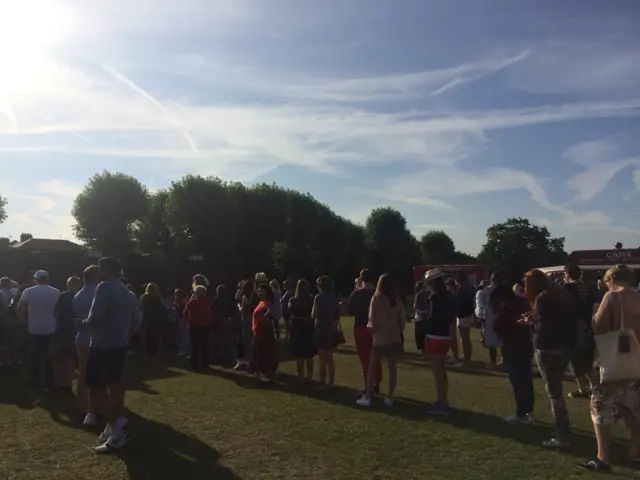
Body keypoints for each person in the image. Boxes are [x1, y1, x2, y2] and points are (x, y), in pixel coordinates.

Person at [581, 265, 640, 471]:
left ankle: (602, 457)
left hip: (613, 364)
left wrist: (594, 315)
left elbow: (599, 327)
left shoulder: (612, 297)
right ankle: (636, 452)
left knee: (601, 408)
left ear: (611, 279)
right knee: (634, 409)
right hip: (636, 362)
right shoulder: (638, 296)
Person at [82, 257, 141, 452]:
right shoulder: (129, 293)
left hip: (101, 345)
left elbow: (96, 317)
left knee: (96, 389)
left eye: (100, 268)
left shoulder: (104, 287)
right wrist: (124, 335)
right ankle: (113, 427)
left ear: (106, 269)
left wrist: (84, 323)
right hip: (119, 345)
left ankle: (116, 432)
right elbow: (137, 321)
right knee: (115, 387)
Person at [522, 269, 576, 449]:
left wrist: (530, 323)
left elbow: (544, 327)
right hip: (565, 345)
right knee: (557, 392)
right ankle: (563, 431)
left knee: (555, 394)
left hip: (547, 347)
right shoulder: (562, 294)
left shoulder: (542, 298)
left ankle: (563, 436)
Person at [357, 274, 406, 408]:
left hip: (379, 338)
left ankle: (368, 395)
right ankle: (390, 397)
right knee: (392, 369)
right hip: (394, 337)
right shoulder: (397, 300)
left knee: (372, 368)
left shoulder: (376, 299)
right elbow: (402, 322)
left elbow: (373, 320)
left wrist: (371, 329)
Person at [492, 284, 534, 423]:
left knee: (517, 381)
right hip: (526, 345)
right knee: (526, 379)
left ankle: (521, 412)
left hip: (513, 346)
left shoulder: (507, 308)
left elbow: (496, 326)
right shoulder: (524, 303)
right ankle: (528, 409)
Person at [17, 270, 60, 391]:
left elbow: (20, 307)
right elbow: (59, 310)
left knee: (34, 355)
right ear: (47, 278)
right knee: (49, 355)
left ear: (36, 279)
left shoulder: (29, 291)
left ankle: (33, 379)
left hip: (34, 328)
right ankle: (50, 380)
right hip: (51, 327)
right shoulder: (56, 292)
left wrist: (22, 320)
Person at [423, 269, 456, 415]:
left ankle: (442, 403)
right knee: (441, 372)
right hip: (445, 337)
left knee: (438, 373)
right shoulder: (450, 295)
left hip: (434, 336)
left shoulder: (434, 297)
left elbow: (432, 318)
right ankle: (443, 400)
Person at [563, 264, 598, 399]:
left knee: (576, 361)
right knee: (588, 360)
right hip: (588, 326)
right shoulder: (587, 288)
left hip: (574, 328)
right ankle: (595, 387)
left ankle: (583, 389)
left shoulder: (567, 288)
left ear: (567, 274)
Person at [74, 265, 100, 424]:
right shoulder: (97, 293)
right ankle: (94, 406)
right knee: (96, 373)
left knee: (82, 370)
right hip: (94, 337)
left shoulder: (78, 294)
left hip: (81, 336)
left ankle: (82, 404)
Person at [349, 269, 380, 394]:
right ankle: (376, 382)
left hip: (360, 326)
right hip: (376, 328)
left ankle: (368, 385)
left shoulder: (357, 294)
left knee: (364, 358)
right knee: (376, 356)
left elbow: (351, 311)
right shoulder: (378, 294)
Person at [50, 276, 81, 395]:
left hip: (61, 331)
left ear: (68, 284)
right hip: (75, 332)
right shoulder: (80, 296)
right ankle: (68, 385)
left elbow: (55, 313)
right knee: (70, 358)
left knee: (57, 359)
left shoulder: (63, 296)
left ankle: (59, 384)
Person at [312, 276, 340, 389]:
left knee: (322, 358)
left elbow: (314, 314)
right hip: (331, 327)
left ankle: (323, 382)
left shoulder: (318, 298)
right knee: (330, 357)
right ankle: (331, 381)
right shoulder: (333, 296)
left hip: (321, 327)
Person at [288, 279, 317, 382]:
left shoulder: (293, 300)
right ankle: (309, 376)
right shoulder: (312, 299)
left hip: (297, 327)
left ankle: (300, 376)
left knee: (299, 355)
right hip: (308, 327)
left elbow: (289, 311)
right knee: (309, 355)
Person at [251, 283, 278, 382]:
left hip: (263, 332)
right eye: (258, 291)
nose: (259, 292)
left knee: (264, 354)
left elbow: (268, 316)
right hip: (257, 330)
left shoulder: (267, 303)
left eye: (262, 291)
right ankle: (259, 374)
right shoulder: (261, 302)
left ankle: (268, 375)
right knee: (258, 354)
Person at [183, 285, 212, 371]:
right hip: (205, 326)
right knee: (204, 346)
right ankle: (205, 364)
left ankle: (194, 365)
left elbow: (185, 314)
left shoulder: (192, 303)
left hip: (194, 326)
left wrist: (189, 321)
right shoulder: (208, 301)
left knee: (194, 347)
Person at [480, 273, 503, 369]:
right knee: (502, 340)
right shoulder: (504, 290)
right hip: (501, 316)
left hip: (490, 317)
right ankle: (503, 361)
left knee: (491, 342)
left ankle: (493, 363)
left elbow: (482, 304)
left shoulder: (486, 290)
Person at [210, 285, 237, 366]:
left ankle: (220, 357)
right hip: (226, 319)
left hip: (219, 320)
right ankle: (227, 356)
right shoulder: (228, 299)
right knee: (227, 338)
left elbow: (212, 311)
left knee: (219, 339)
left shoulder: (216, 300)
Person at [140, 283, 168, 356]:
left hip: (148, 318)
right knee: (156, 335)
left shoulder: (145, 297)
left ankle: (148, 351)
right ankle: (155, 351)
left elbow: (143, 307)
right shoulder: (158, 298)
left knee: (148, 335)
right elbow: (163, 308)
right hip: (157, 319)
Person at [455, 274, 475, 366]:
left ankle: (466, 359)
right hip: (467, 315)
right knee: (466, 338)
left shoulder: (461, 292)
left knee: (464, 338)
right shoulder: (468, 291)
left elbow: (458, 304)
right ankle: (467, 357)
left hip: (462, 316)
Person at [234, 281, 254, 371]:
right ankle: (251, 360)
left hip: (246, 317)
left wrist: (238, 306)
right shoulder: (255, 295)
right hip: (253, 317)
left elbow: (242, 309)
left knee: (243, 340)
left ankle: (243, 360)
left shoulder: (245, 297)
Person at [413, 281, 429, 352]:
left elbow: (415, 307)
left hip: (419, 317)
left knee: (420, 337)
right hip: (427, 317)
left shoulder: (418, 295)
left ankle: (423, 351)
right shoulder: (429, 293)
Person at [173, 289, 189, 356]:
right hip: (179, 319)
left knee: (184, 334)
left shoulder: (183, 301)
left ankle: (185, 350)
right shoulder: (178, 301)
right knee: (180, 334)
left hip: (183, 319)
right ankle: (182, 349)